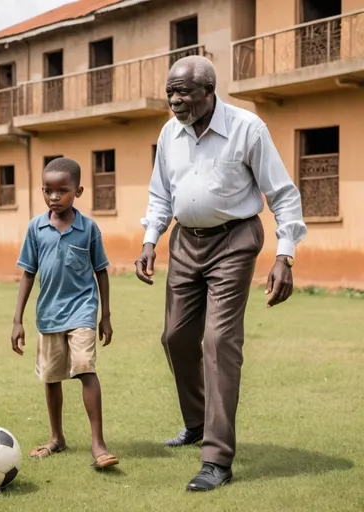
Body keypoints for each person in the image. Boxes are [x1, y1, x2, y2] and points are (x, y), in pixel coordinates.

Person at [135, 55, 307, 491]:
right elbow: (160, 193)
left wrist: (285, 256)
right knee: (175, 336)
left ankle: (217, 460)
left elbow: (282, 194)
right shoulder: (169, 132)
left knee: (219, 342)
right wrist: (150, 240)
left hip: (233, 241)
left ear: (209, 92)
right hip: (184, 243)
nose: (174, 99)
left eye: (184, 92)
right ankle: (196, 423)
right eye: (170, 91)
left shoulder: (248, 129)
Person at [11, 157, 119, 470]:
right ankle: (56, 438)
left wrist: (106, 315)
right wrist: (17, 320)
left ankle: (98, 445)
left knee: (86, 368)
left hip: (83, 310)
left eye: (62, 191)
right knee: (51, 376)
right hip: (49, 314)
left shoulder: (89, 229)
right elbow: (28, 274)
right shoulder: (36, 227)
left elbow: (101, 271)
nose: (54, 197)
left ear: (78, 191)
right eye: (47, 191)